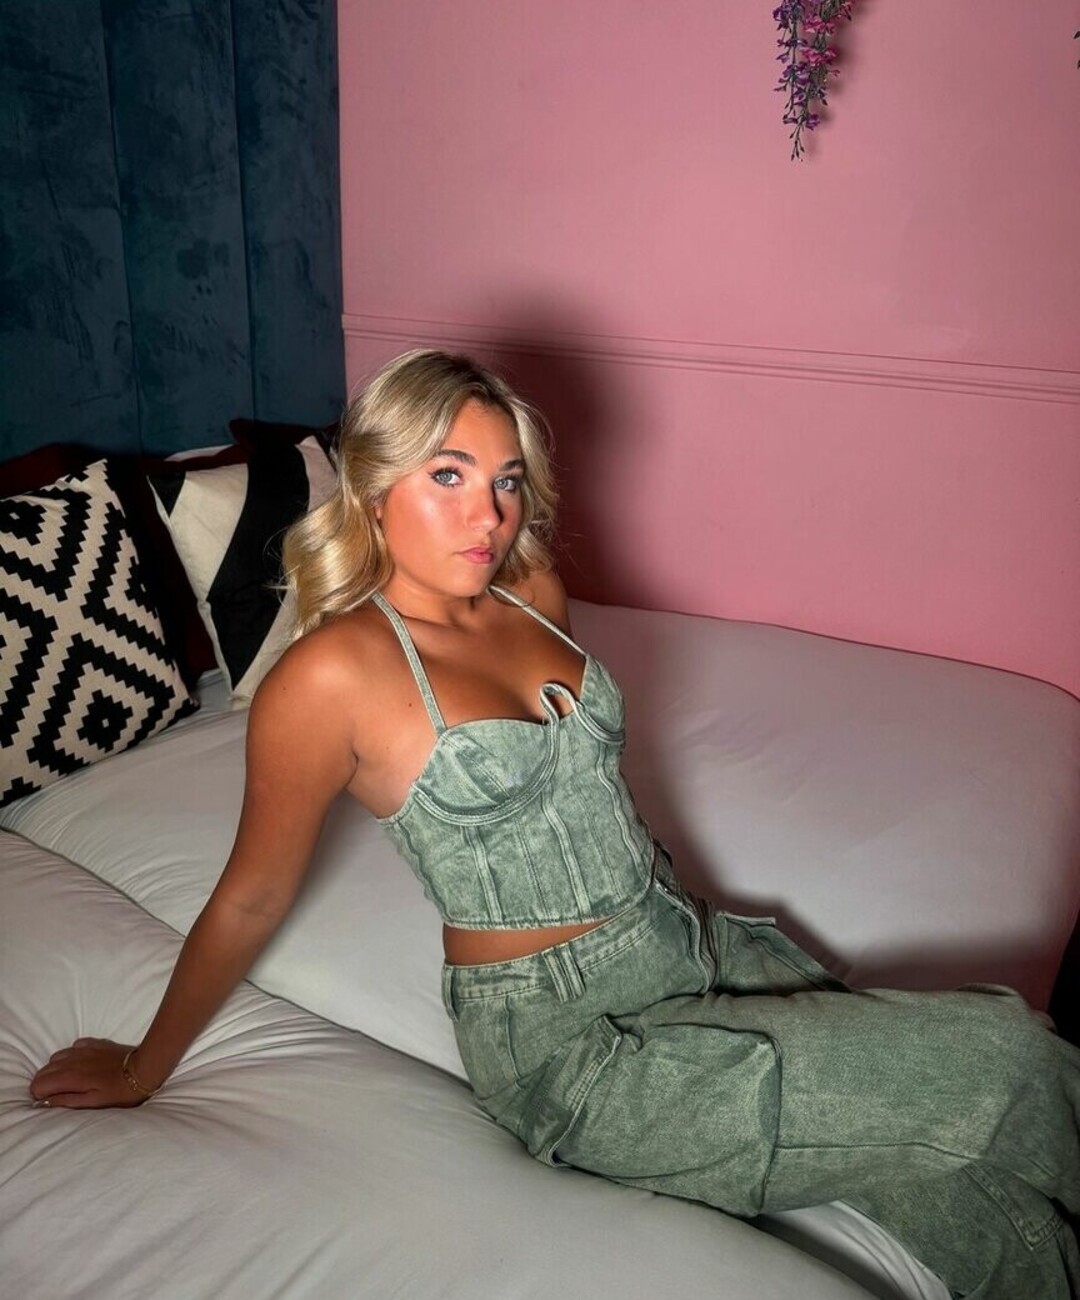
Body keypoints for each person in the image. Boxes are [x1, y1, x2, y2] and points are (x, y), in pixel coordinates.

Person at [30, 350, 1080, 1298]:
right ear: (375, 488)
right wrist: (141, 1066)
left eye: (505, 480)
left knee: (979, 1199)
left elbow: (583, 787)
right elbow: (252, 895)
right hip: (573, 1054)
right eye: (448, 476)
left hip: (687, 942)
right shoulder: (331, 676)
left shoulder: (532, 587)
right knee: (1009, 1058)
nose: (487, 515)